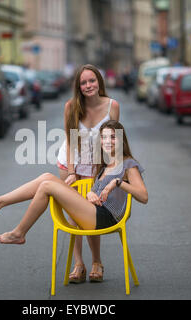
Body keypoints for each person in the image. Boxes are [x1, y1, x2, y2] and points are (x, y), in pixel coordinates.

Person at [0, 120, 148, 277]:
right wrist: (90, 194)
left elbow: (143, 196)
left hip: (105, 218)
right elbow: (96, 194)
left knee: (47, 186)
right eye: (104, 138)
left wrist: (118, 182)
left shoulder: (128, 164)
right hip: (94, 212)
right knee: (46, 177)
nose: (108, 142)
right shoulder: (104, 165)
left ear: (121, 140)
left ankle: (19, 233)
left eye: (113, 138)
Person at [57, 64, 120, 283]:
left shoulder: (112, 106)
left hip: (98, 167)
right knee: (74, 215)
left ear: (99, 82)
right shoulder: (71, 106)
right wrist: (72, 172)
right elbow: (70, 142)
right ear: (78, 86)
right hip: (72, 163)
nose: (88, 85)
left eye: (91, 80)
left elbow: (114, 143)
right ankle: (78, 265)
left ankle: (96, 262)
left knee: (91, 214)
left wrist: (105, 173)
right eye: (83, 82)